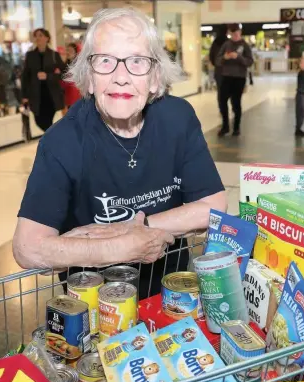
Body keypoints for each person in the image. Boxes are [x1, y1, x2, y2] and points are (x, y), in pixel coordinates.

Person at [13, 8, 227, 300]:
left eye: (137, 61)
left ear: (155, 78)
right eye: (105, 61)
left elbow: (214, 207)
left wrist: (135, 229)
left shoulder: (178, 118)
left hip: (171, 295)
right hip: (95, 304)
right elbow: (27, 248)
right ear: (88, 78)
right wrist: (119, 247)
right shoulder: (62, 142)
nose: (121, 77)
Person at [21, 28, 66, 132]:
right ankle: (53, 139)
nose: (38, 38)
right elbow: (25, 76)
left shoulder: (54, 55)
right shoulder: (30, 55)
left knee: (48, 120)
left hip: (51, 95)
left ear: (47, 38)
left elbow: (65, 73)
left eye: (40, 35)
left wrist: (48, 76)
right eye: (36, 36)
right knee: (39, 121)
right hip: (36, 95)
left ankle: (50, 143)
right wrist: (24, 96)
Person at [216, 23, 253, 137]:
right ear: (230, 34)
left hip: (239, 78)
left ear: (240, 33)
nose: (235, 35)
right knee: (222, 101)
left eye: (237, 33)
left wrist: (239, 57)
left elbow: (250, 61)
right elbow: (217, 60)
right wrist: (225, 58)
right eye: (233, 34)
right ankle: (225, 126)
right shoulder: (226, 44)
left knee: (236, 103)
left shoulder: (245, 45)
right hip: (226, 76)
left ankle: (236, 127)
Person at [61, 42, 82, 113]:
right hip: (67, 97)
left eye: (70, 50)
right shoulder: (64, 66)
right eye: (67, 50)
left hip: (77, 97)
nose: (68, 52)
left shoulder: (80, 66)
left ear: (76, 53)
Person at [209, 26, 227, 101]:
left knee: (220, 90)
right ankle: (226, 106)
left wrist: (215, 64)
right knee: (227, 90)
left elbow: (211, 55)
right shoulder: (228, 42)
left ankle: (221, 107)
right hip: (227, 70)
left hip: (218, 70)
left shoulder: (215, 42)